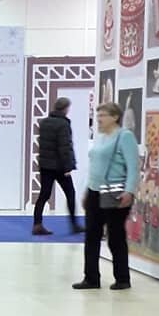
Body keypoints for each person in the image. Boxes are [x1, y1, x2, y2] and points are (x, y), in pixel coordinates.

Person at [74, 101, 140, 291]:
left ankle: (122, 278)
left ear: (115, 117)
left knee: (115, 236)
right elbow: (95, 167)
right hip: (95, 191)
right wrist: (87, 190)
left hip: (115, 193)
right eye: (98, 115)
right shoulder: (101, 137)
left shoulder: (125, 137)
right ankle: (91, 278)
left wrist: (129, 191)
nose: (99, 119)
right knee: (91, 235)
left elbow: (133, 167)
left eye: (103, 115)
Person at [32, 97, 83, 236]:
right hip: (59, 167)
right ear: (66, 108)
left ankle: (37, 224)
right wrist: (68, 167)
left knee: (44, 194)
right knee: (70, 193)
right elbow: (64, 147)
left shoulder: (44, 122)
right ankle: (74, 225)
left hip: (45, 165)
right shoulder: (63, 124)